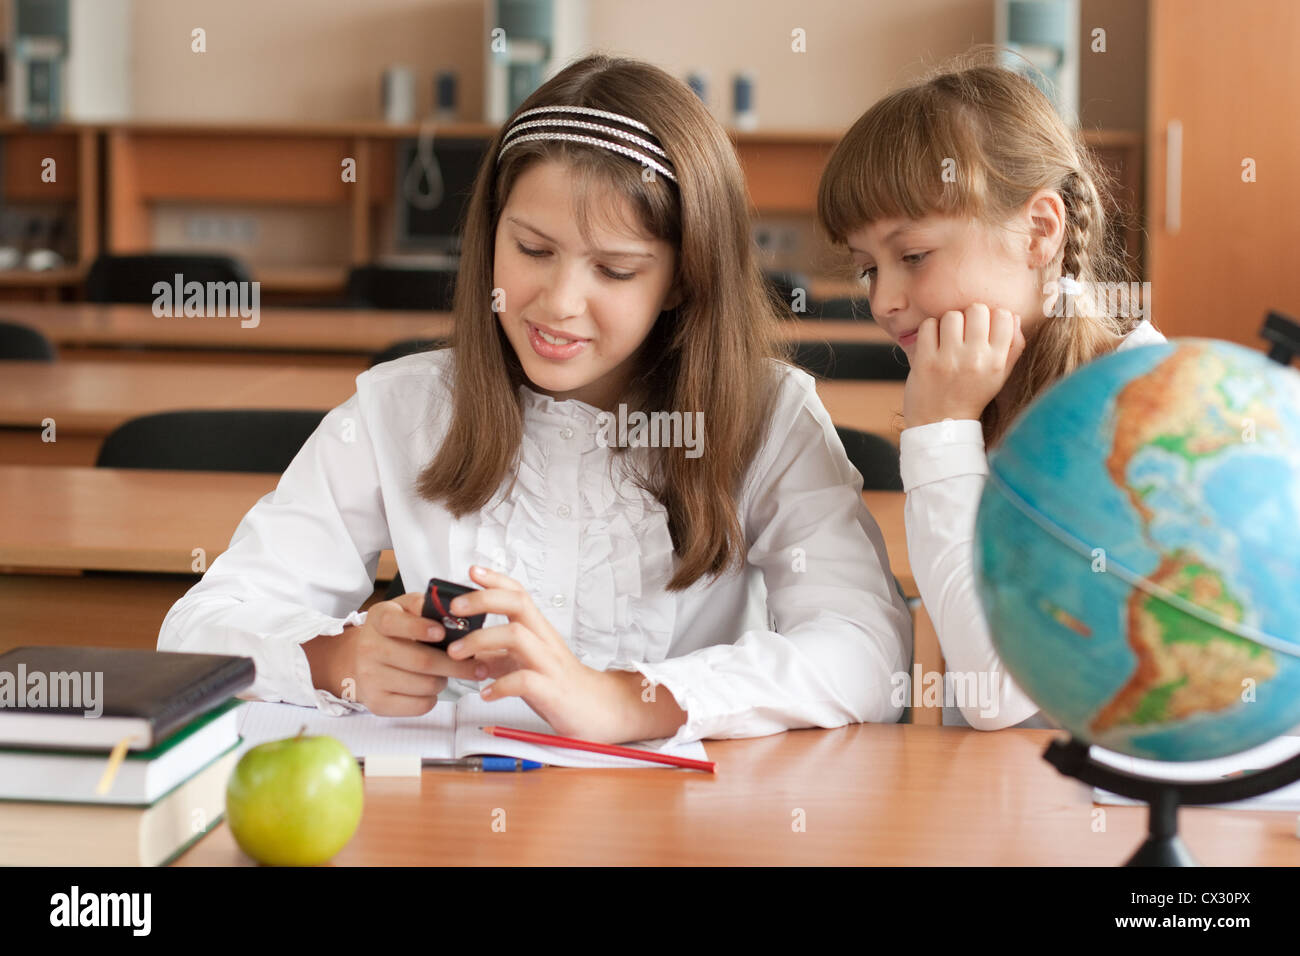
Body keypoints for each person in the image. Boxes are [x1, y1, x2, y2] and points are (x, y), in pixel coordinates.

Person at [159, 54, 912, 747]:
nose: (558, 303)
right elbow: (195, 632)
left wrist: (624, 699)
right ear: (490, 236)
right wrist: (338, 656)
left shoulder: (768, 417)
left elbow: (868, 652)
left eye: (615, 270)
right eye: (532, 250)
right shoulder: (400, 409)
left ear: (685, 278)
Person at [816, 51, 1166, 729]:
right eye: (867, 269)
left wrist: (940, 433)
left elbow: (993, 696)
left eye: (913, 256)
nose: (884, 300)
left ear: (1039, 231)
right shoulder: (991, 397)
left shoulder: (1138, 419)